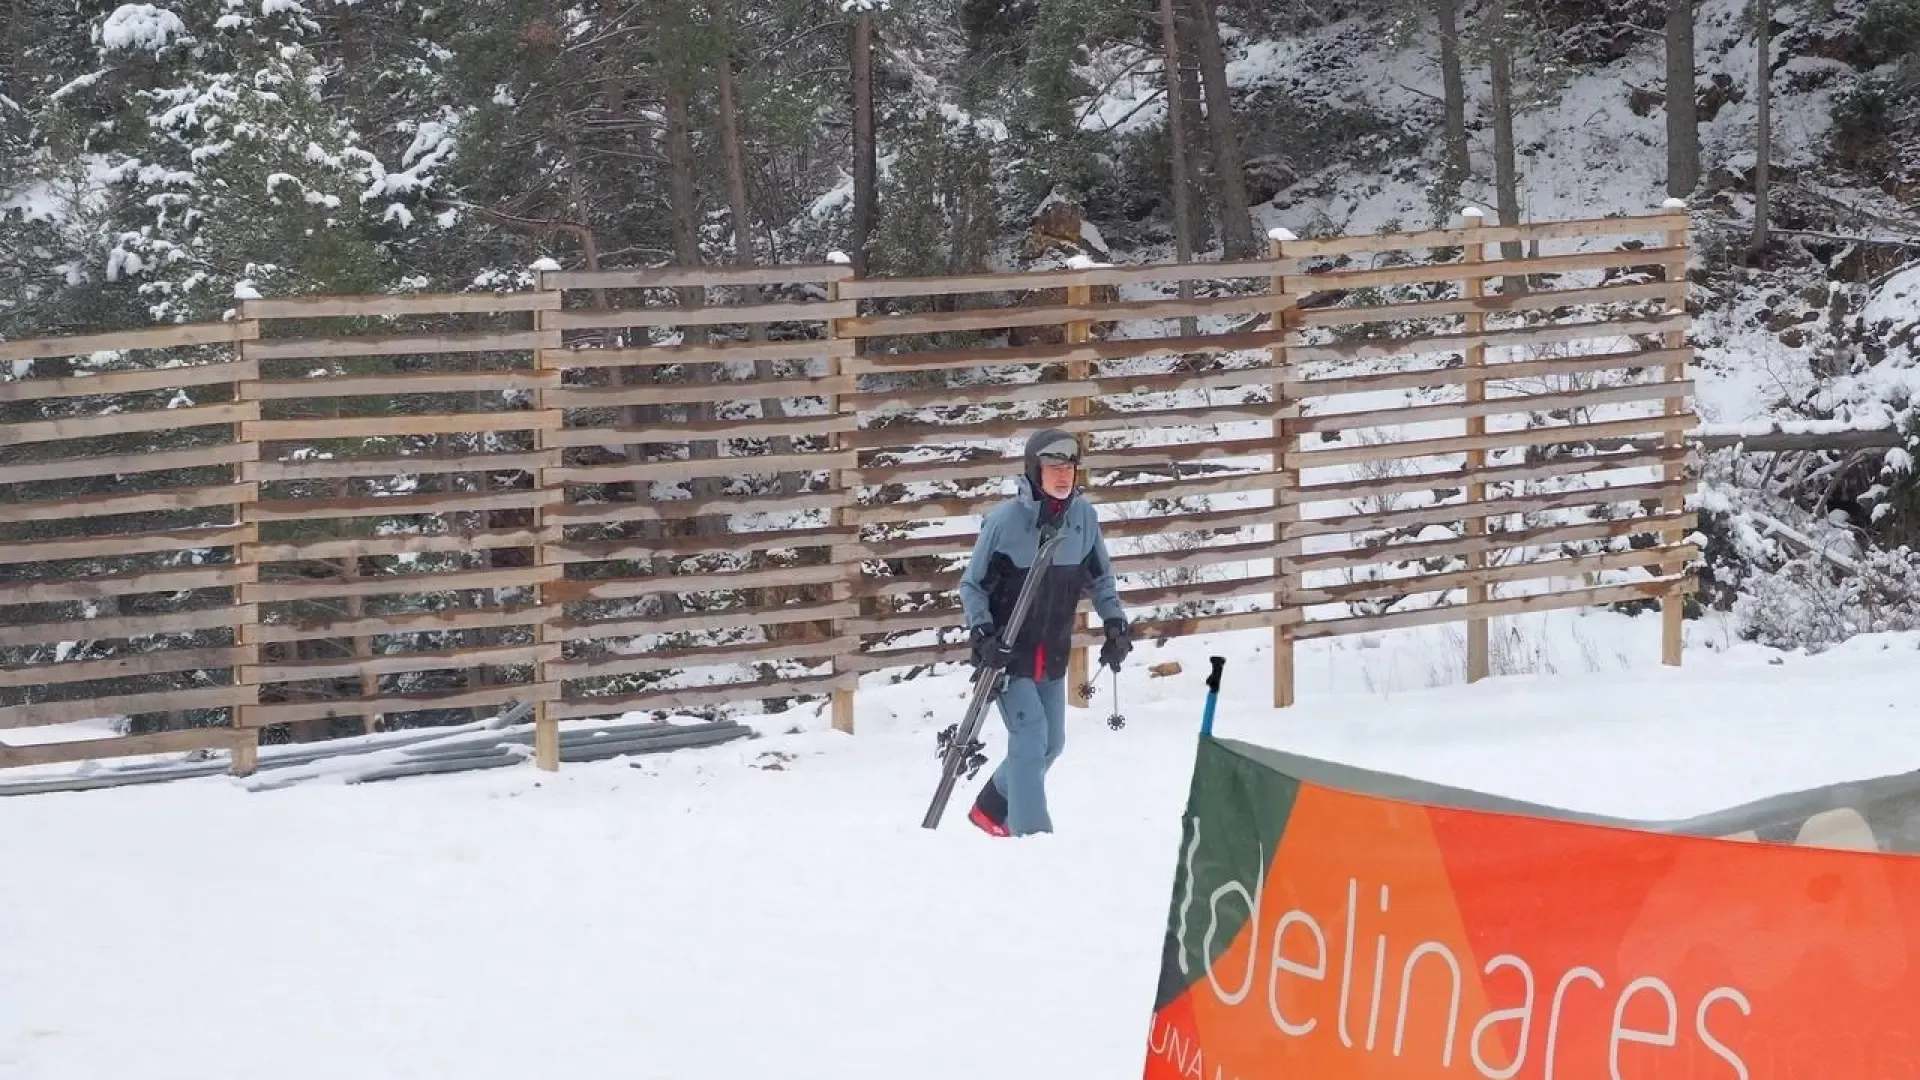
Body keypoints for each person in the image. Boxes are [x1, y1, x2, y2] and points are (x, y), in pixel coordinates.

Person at [956, 427, 1132, 837]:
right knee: (1031, 736)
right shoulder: (1004, 523)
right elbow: (972, 585)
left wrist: (1115, 623)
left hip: (1052, 650)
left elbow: (1100, 578)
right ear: (1034, 471)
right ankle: (1032, 839)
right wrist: (982, 635)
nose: (1062, 474)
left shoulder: (1084, 518)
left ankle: (990, 809)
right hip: (1007, 654)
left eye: (1069, 466)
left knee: (1051, 745)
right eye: (1052, 466)